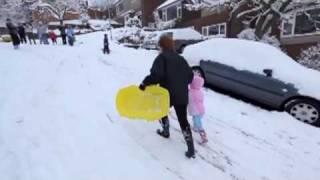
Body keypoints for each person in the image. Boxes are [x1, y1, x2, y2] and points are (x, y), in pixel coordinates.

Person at [140, 36, 195, 158]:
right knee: (183, 120)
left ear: (162, 46)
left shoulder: (161, 58)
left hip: (167, 93)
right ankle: (191, 148)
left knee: (161, 110)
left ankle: (165, 131)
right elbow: (190, 77)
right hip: (181, 93)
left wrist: (144, 83)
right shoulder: (181, 59)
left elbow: (155, 76)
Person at [188, 75, 208, 144]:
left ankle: (203, 136)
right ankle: (195, 128)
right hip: (201, 109)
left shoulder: (191, 92)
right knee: (195, 119)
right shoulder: (199, 91)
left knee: (198, 122)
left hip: (196, 110)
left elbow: (189, 99)